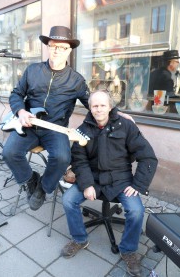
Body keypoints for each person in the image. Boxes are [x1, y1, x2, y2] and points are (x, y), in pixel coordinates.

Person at [2, 26, 133, 212]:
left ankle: (43, 187)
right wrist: (21, 112)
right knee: (9, 153)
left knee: (63, 157)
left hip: (55, 129)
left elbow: (93, 102)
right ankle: (31, 179)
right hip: (29, 125)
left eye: (62, 47)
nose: (56, 50)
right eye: (53, 45)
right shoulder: (32, 70)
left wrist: (116, 113)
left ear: (69, 50)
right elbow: (16, 94)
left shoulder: (76, 80)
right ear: (48, 46)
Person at [61, 90, 158, 276]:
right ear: (90, 107)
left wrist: (138, 185)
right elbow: (79, 160)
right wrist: (87, 184)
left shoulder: (126, 126)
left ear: (110, 106)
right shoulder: (83, 129)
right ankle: (80, 239)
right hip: (93, 178)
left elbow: (148, 158)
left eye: (102, 105)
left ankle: (128, 250)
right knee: (68, 200)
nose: (98, 109)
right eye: (94, 106)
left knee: (137, 210)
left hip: (120, 179)